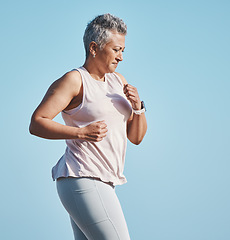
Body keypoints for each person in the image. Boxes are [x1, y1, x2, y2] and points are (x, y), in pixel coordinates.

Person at [29, 13, 147, 240]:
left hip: (105, 181)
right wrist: (80, 132)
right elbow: (37, 123)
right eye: (116, 50)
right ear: (94, 48)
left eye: (123, 50)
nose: (121, 57)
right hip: (82, 177)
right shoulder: (74, 80)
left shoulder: (118, 81)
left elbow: (136, 138)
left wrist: (138, 108)